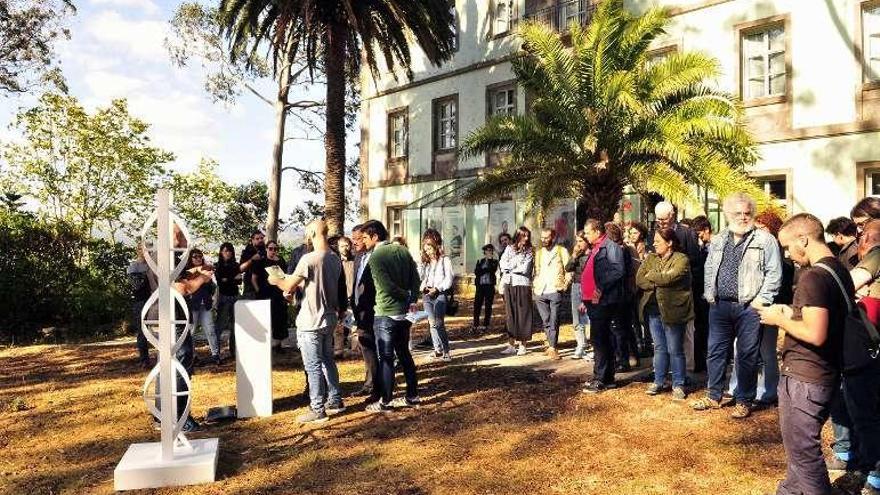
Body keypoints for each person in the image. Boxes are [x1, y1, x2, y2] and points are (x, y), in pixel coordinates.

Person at [756, 213, 852, 495]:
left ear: (804, 239)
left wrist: (779, 319)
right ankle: (788, 490)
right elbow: (820, 318)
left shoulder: (813, 277)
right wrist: (792, 312)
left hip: (805, 378)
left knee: (803, 452)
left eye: (787, 247)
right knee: (799, 449)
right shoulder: (838, 269)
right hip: (824, 374)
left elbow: (815, 333)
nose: (787, 254)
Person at [692, 192, 782, 419]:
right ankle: (714, 396)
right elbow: (710, 269)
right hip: (719, 306)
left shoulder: (765, 240)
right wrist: (709, 295)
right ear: (727, 215)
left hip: (749, 307)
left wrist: (761, 301)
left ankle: (744, 399)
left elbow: (774, 274)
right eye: (738, 213)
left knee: (747, 355)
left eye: (747, 213)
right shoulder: (719, 239)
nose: (743, 217)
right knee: (715, 352)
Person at [269, 220, 348, 424]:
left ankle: (317, 408)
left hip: (311, 320)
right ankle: (335, 399)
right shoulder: (334, 257)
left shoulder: (309, 258)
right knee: (327, 361)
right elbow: (315, 284)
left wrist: (276, 280)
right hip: (328, 318)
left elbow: (287, 283)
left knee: (313, 365)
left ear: (312, 232)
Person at [832, 219, 880, 494]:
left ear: (868, 238)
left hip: (866, 348)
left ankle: (872, 471)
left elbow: (848, 284)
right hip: (869, 345)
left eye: (861, 233)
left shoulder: (877, 253)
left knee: (863, 410)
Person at [727, 210, 792, 406]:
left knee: (766, 351)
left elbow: (781, 287)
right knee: (740, 348)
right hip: (747, 309)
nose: (758, 232)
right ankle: (736, 387)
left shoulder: (783, 261)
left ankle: (769, 391)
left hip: (768, 309)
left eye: (763, 228)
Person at [362, 220, 422, 413]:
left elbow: (386, 286)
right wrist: (412, 299)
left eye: (365, 237)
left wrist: (407, 297)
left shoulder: (376, 256)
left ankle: (386, 401)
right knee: (404, 354)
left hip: (385, 313)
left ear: (375, 236)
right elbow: (416, 279)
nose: (363, 241)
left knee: (386, 358)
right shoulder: (403, 250)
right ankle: (412, 396)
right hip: (404, 313)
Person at [637, 227, 693, 400]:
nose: (653, 244)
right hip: (654, 310)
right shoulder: (651, 258)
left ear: (669, 243)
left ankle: (678, 384)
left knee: (675, 349)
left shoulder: (681, 259)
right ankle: (659, 380)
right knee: (660, 347)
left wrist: (653, 275)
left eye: (657, 241)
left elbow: (671, 278)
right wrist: (659, 279)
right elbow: (639, 279)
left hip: (674, 311)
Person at [655, 201, 701, 372]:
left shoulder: (687, 233)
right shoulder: (656, 232)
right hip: (663, 291)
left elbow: (696, 261)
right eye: (658, 220)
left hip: (682, 290)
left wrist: (682, 275)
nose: (661, 222)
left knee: (686, 332)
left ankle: (688, 366)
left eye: (663, 219)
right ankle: (667, 367)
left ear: (672, 215)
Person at [580, 219, 625, 393]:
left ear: (597, 232)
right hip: (593, 301)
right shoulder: (596, 248)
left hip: (604, 300)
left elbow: (618, 270)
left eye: (588, 231)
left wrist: (600, 287)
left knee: (599, 339)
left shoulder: (610, 247)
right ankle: (607, 378)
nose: (585, 235)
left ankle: (600, 378)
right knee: (602, 338)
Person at [350, 224, 380, 402]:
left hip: (372, 310)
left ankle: (377, 388)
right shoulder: (359, 257)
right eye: (352, 239)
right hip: (359, 310)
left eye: (357, 239)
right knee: (365, 348)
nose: (354, 243)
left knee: (372, 348)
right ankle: (369, 384)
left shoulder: (375, 257)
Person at [606, 222, 639, 371]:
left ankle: (623, 360)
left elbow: (620, 272)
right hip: (625, 293)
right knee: (626, 327)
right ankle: (632, 356)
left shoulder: (618, 250)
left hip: (620, 294)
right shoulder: (624, 249)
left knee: (619, 328)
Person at [533, 228, 570, 361]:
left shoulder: (561, 251)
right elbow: (537, 270)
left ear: (553, 237)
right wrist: (535, 285)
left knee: (554, 320)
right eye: (542, 237)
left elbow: (569, 269)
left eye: (546, 237)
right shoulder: (538, 253)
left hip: (555, 289)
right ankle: (550, 345)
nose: (543, 240)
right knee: (546, 320)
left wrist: (565, 285)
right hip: (541, 290)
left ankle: (553, 347)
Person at [418, 229, 454, 361]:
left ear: (435, 246)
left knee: (439, 323)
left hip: (439, 294)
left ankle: (446, 350)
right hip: (427, 295)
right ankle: (437, 349)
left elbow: (449, 279)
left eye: (429, 248)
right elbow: (421, 277)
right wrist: (422, 263)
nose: (427, 251)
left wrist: (437, 288)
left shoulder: (445, 260)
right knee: (432, 323)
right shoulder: (426, 262)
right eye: (425, 249)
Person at [499, 226, 535, 356]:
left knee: (523, 315)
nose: (526, 238)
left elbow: (524, 269)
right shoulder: (509, 248)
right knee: (510, 315)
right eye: (523, 235)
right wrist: (512, 266)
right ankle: (511, 344)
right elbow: (502, 264)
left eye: (527, 236)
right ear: (518, 236)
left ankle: (523, 344)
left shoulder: (529, 251)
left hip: (522, 285)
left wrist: (511, 267)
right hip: (509, 284)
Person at [184, 248, 220, 365]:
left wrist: (208, 281)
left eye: (200, 257)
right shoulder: (187, 271)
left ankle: (215, 355)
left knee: (210, 330)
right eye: (195, 257)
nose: (198, 259)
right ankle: (192, 356)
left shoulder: (207, 270)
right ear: (190, 258)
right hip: (193, 305)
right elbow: (186, 288)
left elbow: (212, 288)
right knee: (191, 331)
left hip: (206, 304)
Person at [253, 240, 289, 350]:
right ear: (266, 249)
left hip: (279, 294)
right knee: (266, 319)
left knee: (280, 317)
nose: (273, 251)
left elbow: (285, 277)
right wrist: (258, 291)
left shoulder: (281, 260)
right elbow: (254, 278)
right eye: (271, 248)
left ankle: (279, 342)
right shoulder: (261, 261)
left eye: (275, 249)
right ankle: (265, 343)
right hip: (265, 294)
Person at [127, 242, 156, 369]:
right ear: (138, 250)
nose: (147, 252)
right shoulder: (134, 266)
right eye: (144, 249)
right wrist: (147, 274)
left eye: (150, 249)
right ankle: (144, 360)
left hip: (156, 300)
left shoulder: (155, 265)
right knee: (142, 331)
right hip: (141, 302)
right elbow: (136, 286)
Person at [691, 215, 713, 372]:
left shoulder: (714, 247)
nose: (699, 237)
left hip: (710, 296)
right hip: (701, 294)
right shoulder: (701, 248)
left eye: (699, 233)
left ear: (706, 230)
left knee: (707, 329)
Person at [566, 231, 591, 359]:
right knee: (577, 317)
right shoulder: (577, 255)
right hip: (577, 285)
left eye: (581, 241)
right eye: (577, 241)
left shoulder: (592, 254)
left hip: (589, 286)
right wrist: (574, 255)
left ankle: (592, 345)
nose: (578, 244)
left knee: (590, 317)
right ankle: (580, 344)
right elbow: (568, 268)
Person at [215, 242, 242, 358]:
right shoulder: (217, 266)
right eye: (225, 250)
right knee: (220, 325)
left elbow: (239, 281)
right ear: (221, 252)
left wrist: (228, 279)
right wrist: (232, 278)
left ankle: (234, 351)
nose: (228, 253)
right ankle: (216, 352)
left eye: (230, 250)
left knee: (235, 326)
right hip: (224, 297)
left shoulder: (236, 265)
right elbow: (221, 281)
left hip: (235, 296)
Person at [335, 236, 356, 357]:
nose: (345, 248)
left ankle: (355, 349)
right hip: (340, 299)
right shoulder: (335, 262)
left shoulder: (354, 261)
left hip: (353, 298)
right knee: (339, 326)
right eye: (342, 246)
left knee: (354, 325)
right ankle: (338, 350)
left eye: (347, 245)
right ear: (338, 247)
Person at [473, 244, 498, 332]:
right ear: (484, 252)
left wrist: (484, 269)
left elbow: (492, 270)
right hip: (480, 286)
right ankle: (475, 324)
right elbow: (476, 272)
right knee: (477, 305)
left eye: (490, 250)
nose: (489, 252)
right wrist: (485, 270)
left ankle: (486, 324)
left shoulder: (494, 261)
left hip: (489, 286)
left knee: (488, 305)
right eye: (487, 250)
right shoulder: (480, 261)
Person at [238, 231, 266, 299]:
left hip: (265, 288)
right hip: (250, 290)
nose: (260, 240)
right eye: (257, 239)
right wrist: (252, 260)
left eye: (262, 238)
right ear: (252, 240)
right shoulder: (247, 252)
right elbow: (241, 269)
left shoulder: (266, 251)